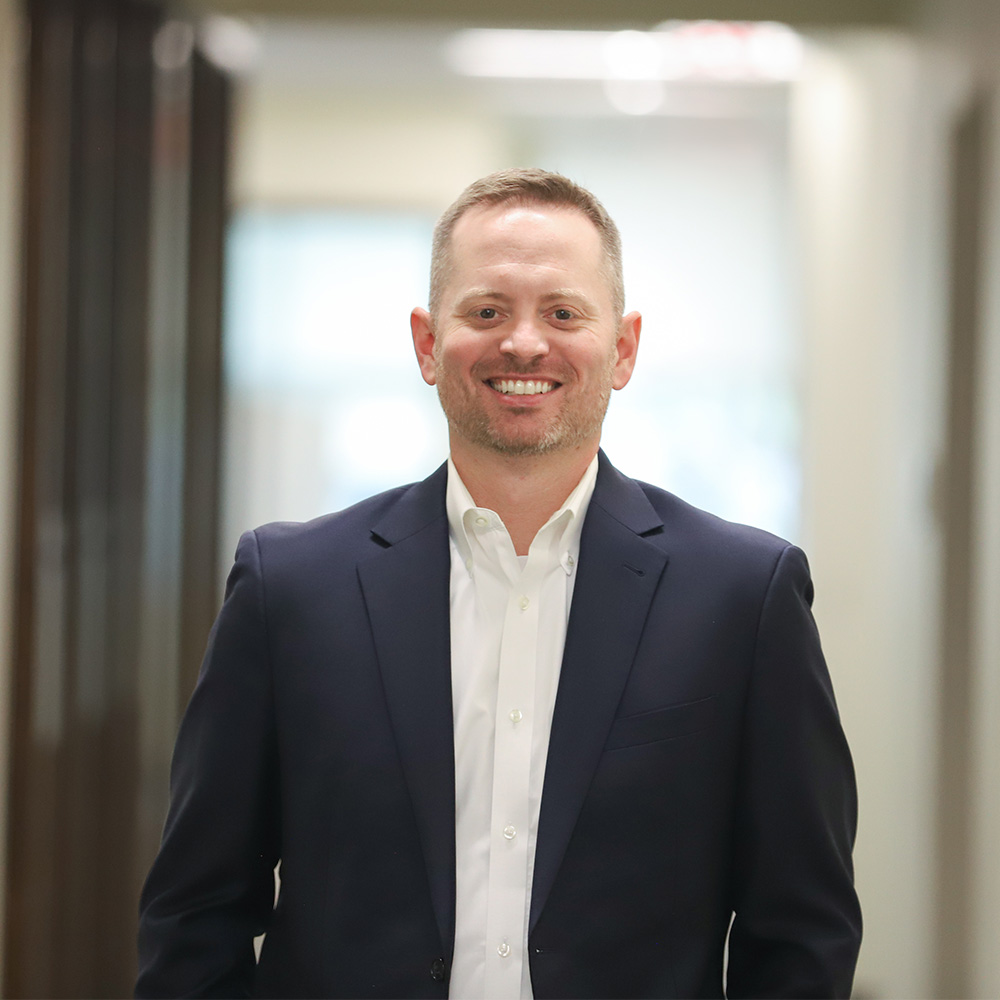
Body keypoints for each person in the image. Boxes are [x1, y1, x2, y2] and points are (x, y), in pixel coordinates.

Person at [136, 168, 861, 999]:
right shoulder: (289, 590)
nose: (524, 343)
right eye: (486, 312)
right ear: (425, 342)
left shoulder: (744, 598)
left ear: (623, 348)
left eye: (563, 313)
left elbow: (802, 929)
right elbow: (196, 910)